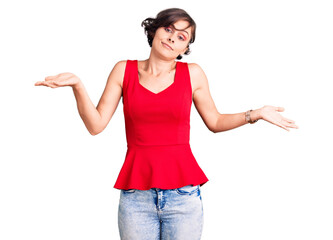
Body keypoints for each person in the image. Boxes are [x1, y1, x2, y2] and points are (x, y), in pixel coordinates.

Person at [35, 7, 298, 240]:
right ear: (154, 31)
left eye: (182, 36)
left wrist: (256, 114)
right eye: (168, 28)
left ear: (186, 48)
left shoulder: (193, 74)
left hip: (184, 197)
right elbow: (96, 125)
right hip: (136, 198)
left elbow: (215, 121)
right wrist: (77, 86)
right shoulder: (122, 70)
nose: (172, 37)